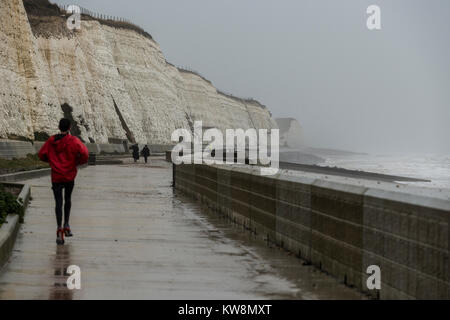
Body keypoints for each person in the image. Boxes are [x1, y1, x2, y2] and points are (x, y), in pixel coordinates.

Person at [38, 118, 89, 245]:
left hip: (56, 177)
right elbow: (85, 154)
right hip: (69, 176)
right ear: (70, 127)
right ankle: (66, 225)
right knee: (68, 199)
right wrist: (76, 163)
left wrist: (52, 161)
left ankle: (59, 229)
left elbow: (41, 154)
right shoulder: (74, 141)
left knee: (58, 203)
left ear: (59, 127)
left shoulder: (51, 140)